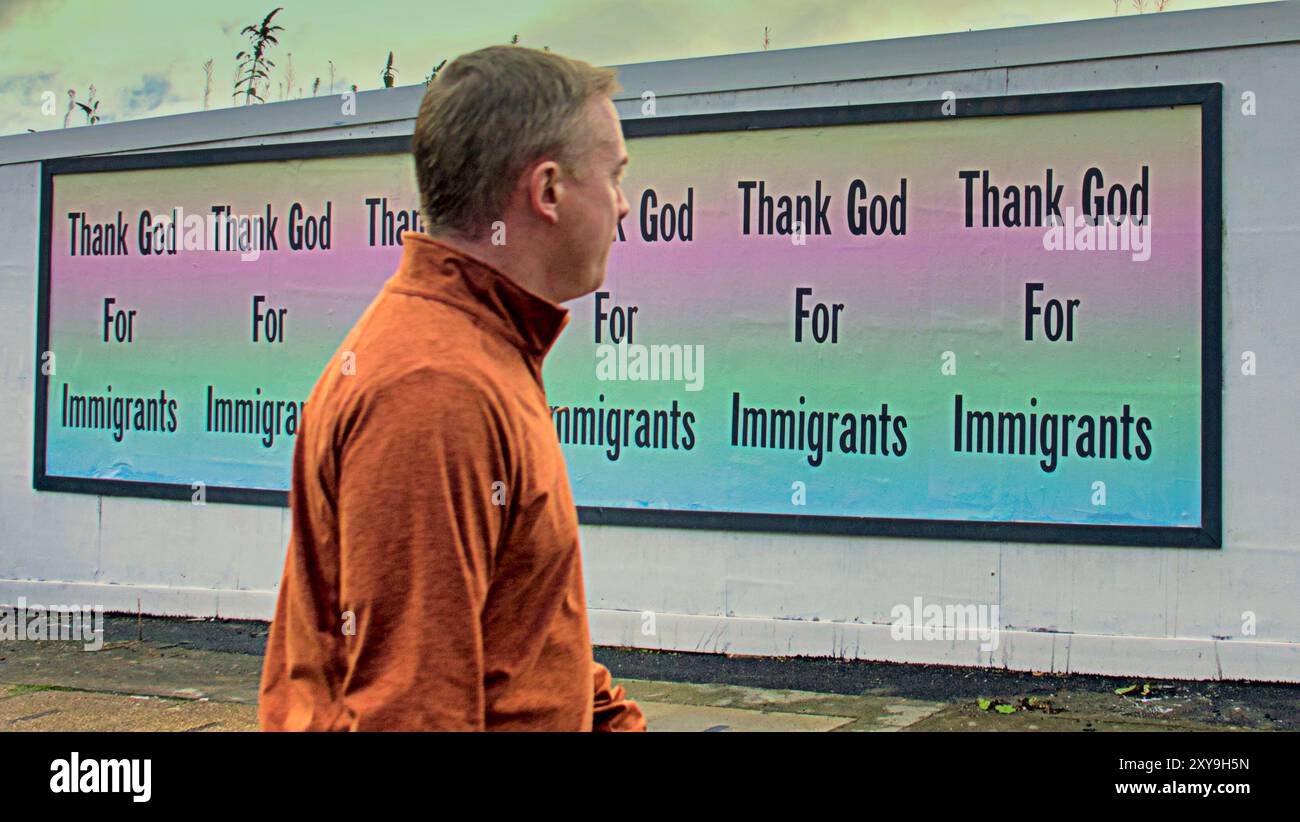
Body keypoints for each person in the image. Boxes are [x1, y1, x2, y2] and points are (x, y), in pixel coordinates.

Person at [258, 45, 645, 731]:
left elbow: (523, 628)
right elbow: (410, 710)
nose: (625, 206)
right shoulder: (435, 391)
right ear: (548, 190)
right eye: (614, 177)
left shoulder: (484, 344)